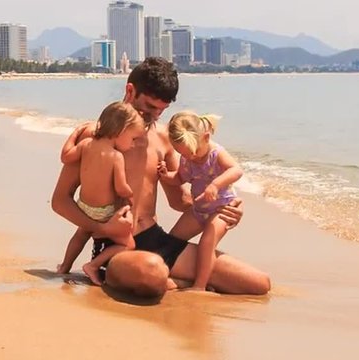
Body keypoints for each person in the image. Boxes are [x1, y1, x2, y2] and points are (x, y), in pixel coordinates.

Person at [51, 57, 270, 297]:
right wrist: (101, 226)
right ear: (130, 91)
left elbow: (179, 201)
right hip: (116, 246)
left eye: (161, 110)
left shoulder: (164, 138)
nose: (154, 116)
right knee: (153, 272)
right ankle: (171, 281)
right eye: (149, 107)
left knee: (257, 283)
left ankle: (176, 281)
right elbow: (60, 201)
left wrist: (222, 210)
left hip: (157, 239)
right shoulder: (96, 138)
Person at [59, 101, 146, 285]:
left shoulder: (86, 144)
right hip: (103, 212)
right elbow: (121, 187)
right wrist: (131, 195)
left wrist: (75, 133)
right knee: (127, 244)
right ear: (120, 131)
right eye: (132, 139)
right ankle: (93, 265)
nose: (132, 145)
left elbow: (65, 157)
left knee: (81, 234)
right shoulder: (116, 157)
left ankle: (65, 266)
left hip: (83, 207)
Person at [158, 111, 243, 291]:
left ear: (205, 137)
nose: (192, 157)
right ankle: (175, 275)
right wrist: (166, 176)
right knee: (171, 240)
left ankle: (200, 286)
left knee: (207, 243)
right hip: (198, 210)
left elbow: (236, 170)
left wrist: (215, 184)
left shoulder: (216, 153)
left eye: (194, 152)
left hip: (222, 209)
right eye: (184, 154)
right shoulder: (187, 158)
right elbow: (180, 178)